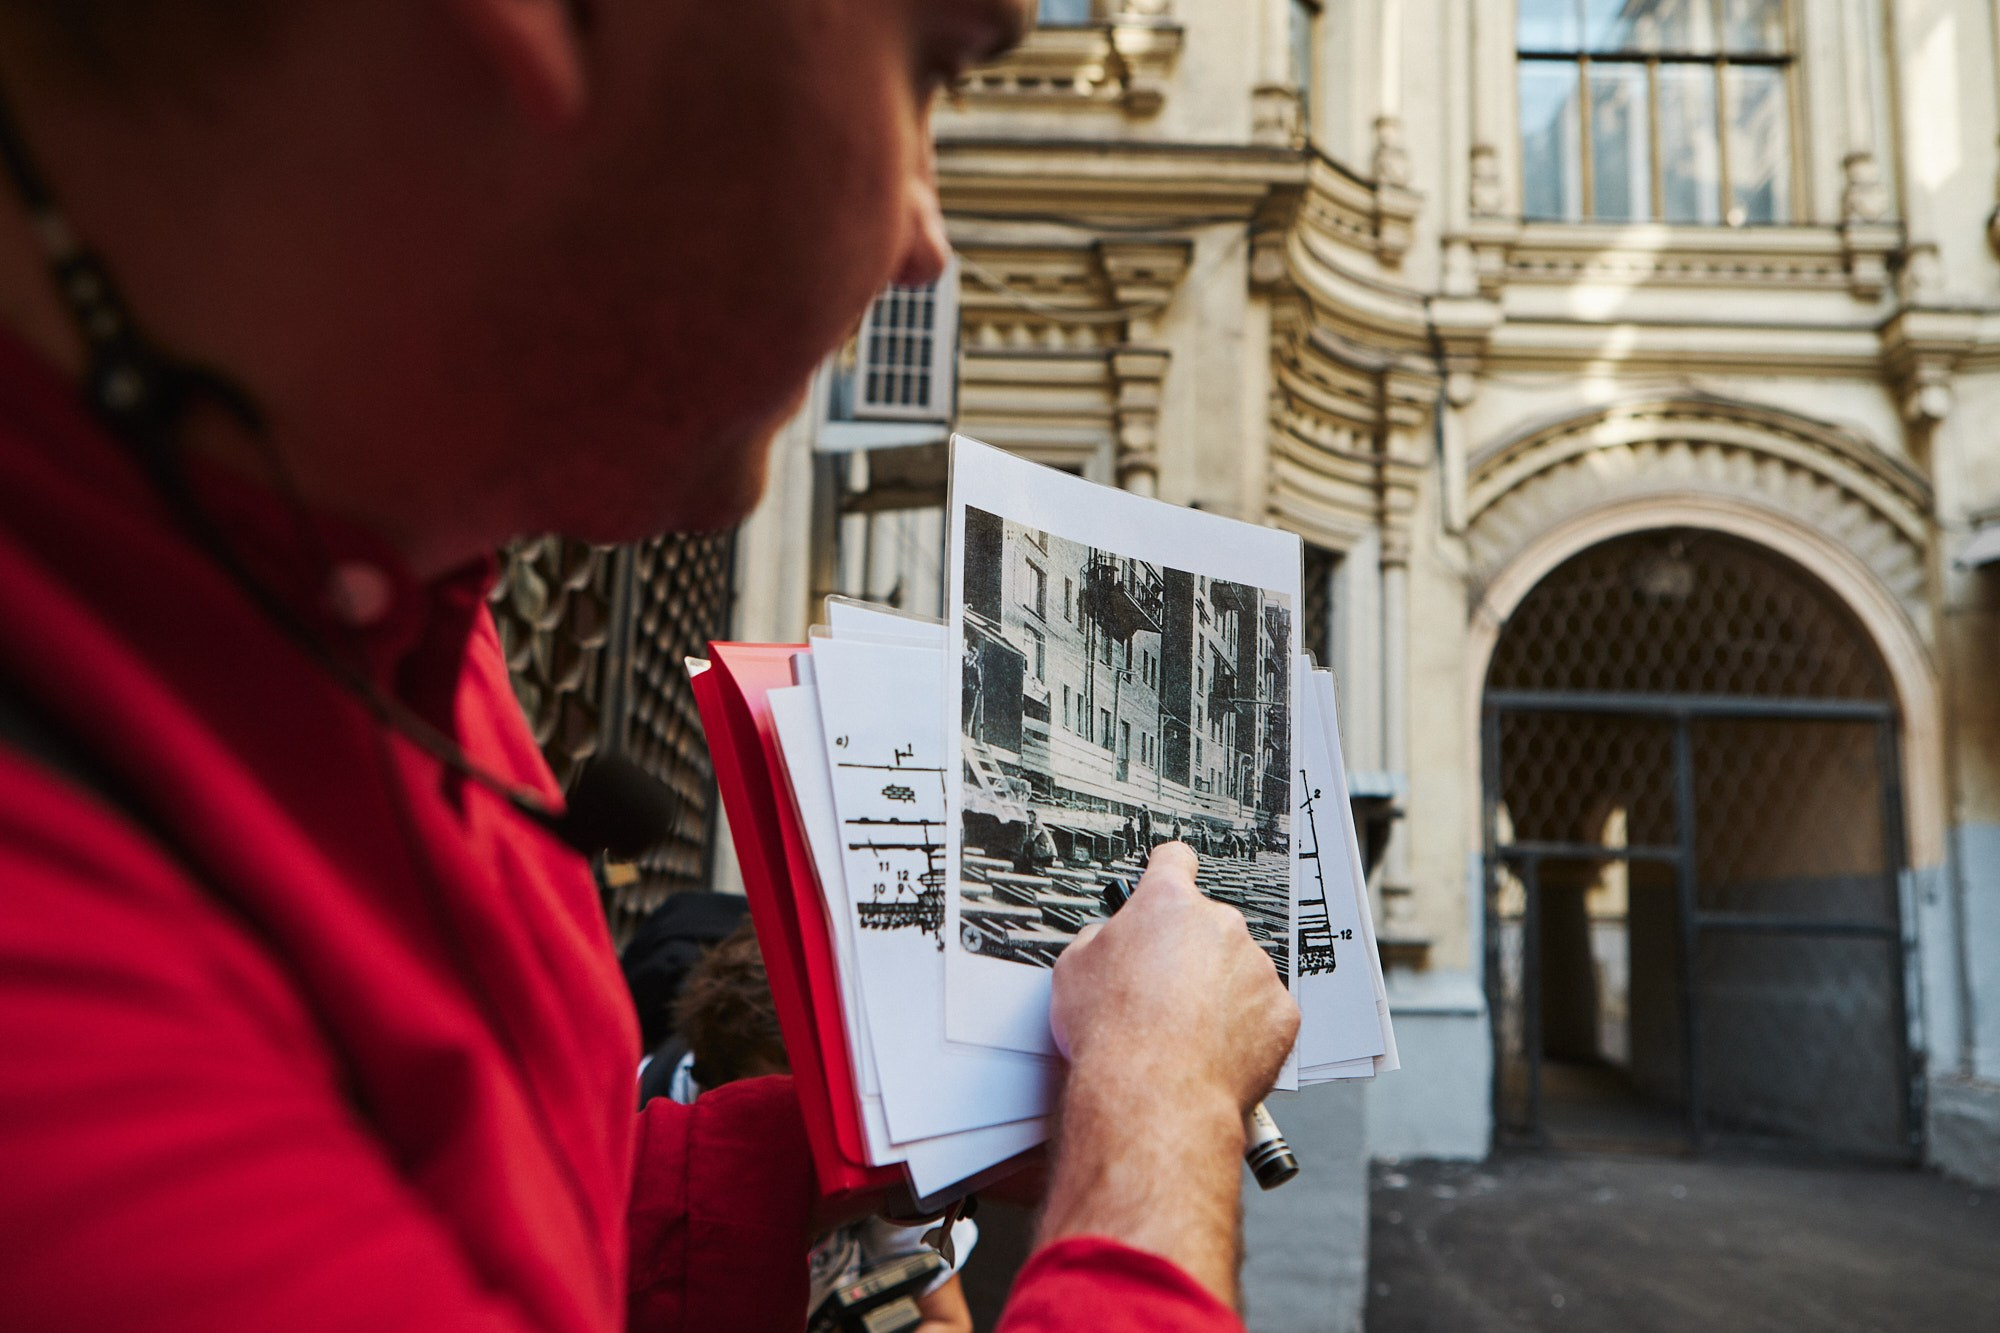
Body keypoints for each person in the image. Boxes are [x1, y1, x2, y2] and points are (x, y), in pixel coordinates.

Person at [0, 4, 1299, 1332]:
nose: (926, 237)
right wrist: (1157, 1114)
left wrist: (820, 1162)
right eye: (930, 70)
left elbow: (486, 1224)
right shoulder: (50, 1015)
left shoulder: (376, 601)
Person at [667, 922, 978, 1333]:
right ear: (714, 1088)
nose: (820, 1144)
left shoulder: (852, 1137)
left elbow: (946, 1320)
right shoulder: (647, 1159)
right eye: (789, 1117)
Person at [1013, 808, 1058, 876]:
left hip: (1047, 853)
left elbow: (1031, 838)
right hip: (1047, 852)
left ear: (1035, 816)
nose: (1029, 817)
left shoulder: (1037, 824)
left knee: (1027, 846)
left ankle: (1026, 868)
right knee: (1028, 846)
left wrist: (1022, 845)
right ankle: (1026, 866)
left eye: (1030, 816)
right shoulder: (1036, 824)